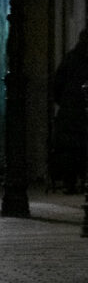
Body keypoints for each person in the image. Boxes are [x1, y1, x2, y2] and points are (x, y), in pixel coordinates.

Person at [51, 28, 88, 194]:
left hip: (69, 110)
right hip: (79, 109)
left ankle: (70, 182)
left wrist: (64, 101)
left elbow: (57, 85)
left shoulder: (71, 58)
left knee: (69, 149)